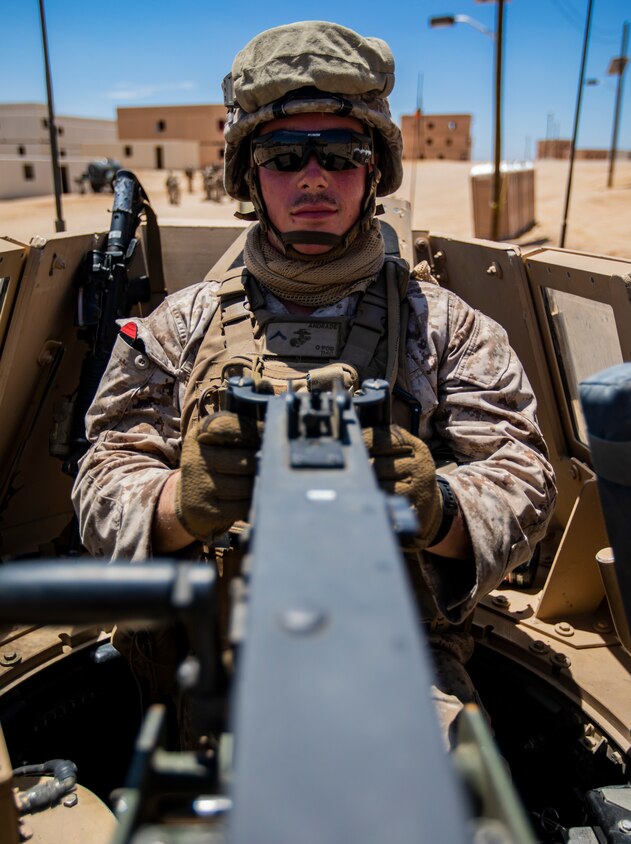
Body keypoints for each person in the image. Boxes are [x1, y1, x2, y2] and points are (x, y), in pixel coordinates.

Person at [72, 21, 556, 748]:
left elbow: (525, 478)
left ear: (373, 172)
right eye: (282, 156)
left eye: (339, 154)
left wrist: (439, 504)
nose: (312, 178)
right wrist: (181, 499)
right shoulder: (179, 327)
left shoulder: (448, 328)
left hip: (401, 665)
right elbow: (100, 478)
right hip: (202, 664)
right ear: (247, 175)